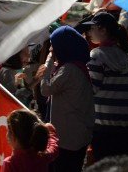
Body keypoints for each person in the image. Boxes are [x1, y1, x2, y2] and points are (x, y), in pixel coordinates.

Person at [81, 11, 128, 161]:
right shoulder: (126, 57)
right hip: (127, 126)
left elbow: (90, 90)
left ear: (103, 30)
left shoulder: (97, 56)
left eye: (92, 28)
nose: (89, 32)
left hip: (105, 128)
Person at [39, 26, 94, 172]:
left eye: (53, 45)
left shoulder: (69, 70)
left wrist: (48, 63)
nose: (51, 49)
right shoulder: (75, 66)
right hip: (76, 135)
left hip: (67, 139)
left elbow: (45, 90)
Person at [2, 108, 59, 172]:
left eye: (9, 131)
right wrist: (50, 130)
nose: (7, 134)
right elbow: (54, 148)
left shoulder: (10, 163)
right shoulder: (43, 155)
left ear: (15, 137)